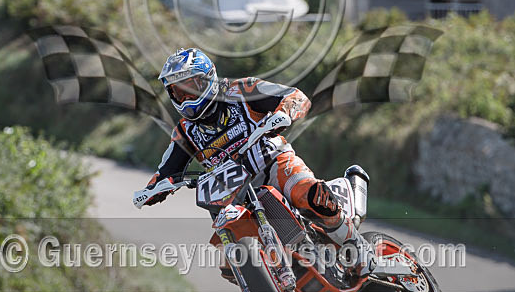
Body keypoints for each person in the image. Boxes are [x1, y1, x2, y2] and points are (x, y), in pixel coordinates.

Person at [133, 48, 375, 278]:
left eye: (191, 88)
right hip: (234, 193)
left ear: (208, 79)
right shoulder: (185, 132)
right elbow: (165, 172)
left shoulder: (241, 90)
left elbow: (295, 96)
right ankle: (280, 288)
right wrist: (150, 191)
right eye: (178, 92)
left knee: (309, 194)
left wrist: (285, 113)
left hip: (274, 163)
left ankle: (356, 245)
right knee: (228, 263)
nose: (186, 98)